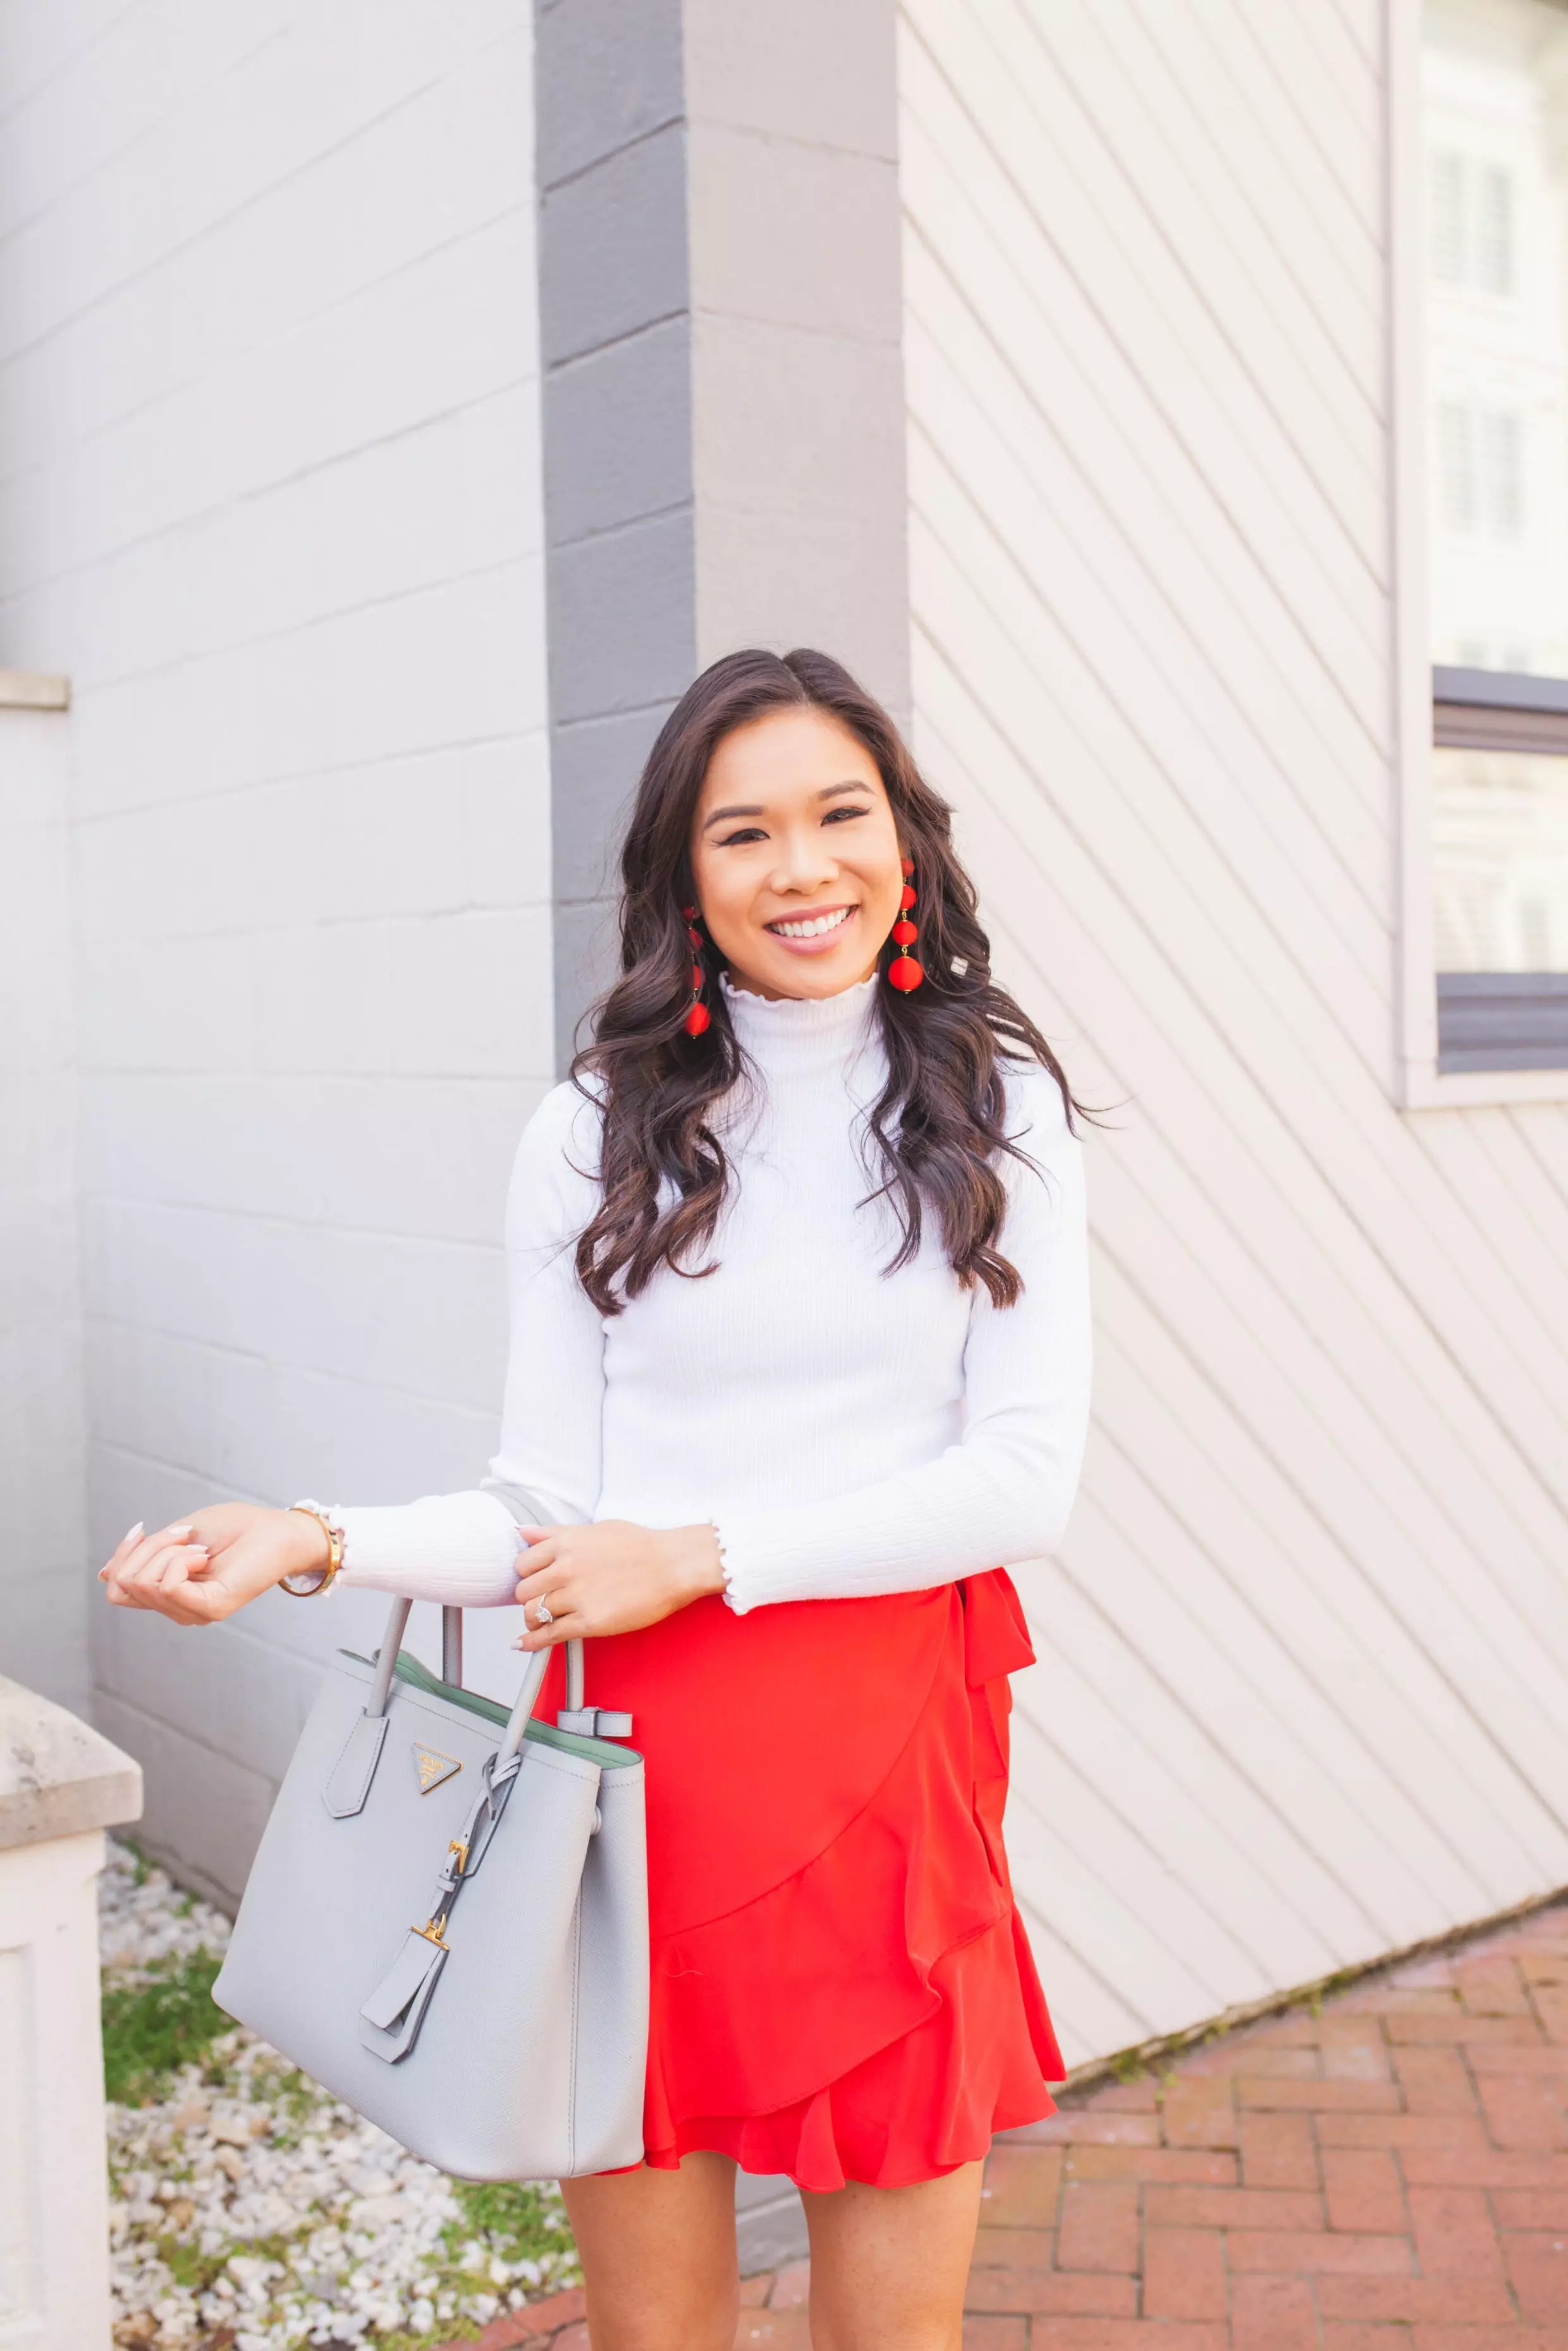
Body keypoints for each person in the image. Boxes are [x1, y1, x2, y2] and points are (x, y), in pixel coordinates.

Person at [99, 647, 1093, 2351]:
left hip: (891, 1766)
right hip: (633, 1784)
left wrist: (696, 1556)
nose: (805, 868)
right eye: (746, 832)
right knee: (656, 2334)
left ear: (905, 842)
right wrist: (315, 1538)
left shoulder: (996, 1109)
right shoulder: (592, 1129)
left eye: (842, 814)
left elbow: (1020, 1481)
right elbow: (543, 1507)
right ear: (683, 879)